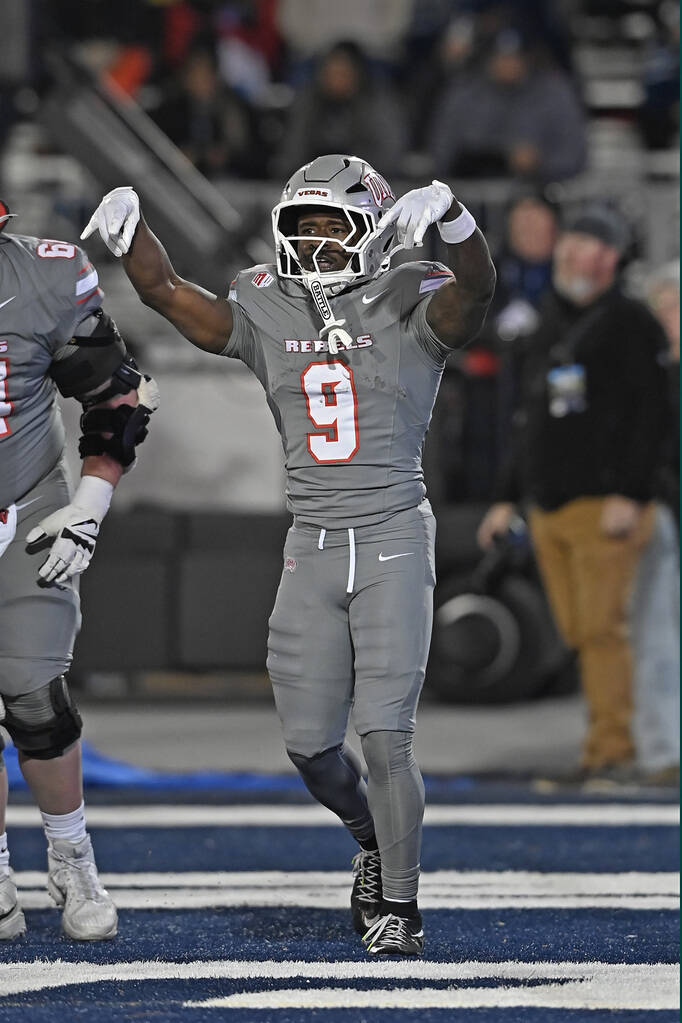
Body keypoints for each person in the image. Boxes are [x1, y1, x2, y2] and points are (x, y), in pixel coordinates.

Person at [81, 155, 496, 955]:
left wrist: (456, 219)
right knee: (309, 746)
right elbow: (173, 296)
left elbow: (475, 290)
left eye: (330, 227)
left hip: (391, 535)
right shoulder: (267, 304)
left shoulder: (412, 294)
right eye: (301, 227)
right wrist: (134, 237)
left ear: (371, 231)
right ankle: (374, 837)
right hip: (309, 539)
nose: (313, 242)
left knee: (385, 735)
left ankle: (399, 908)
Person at [0, 199, 159, 939]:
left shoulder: (43, 275)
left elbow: (116, 399)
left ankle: (71, 854)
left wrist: (91, 504)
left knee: (37, 697)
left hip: (25, 508)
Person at [477, 205, 669, 781]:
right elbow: (529, 418)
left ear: (610, 258)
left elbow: (653, 417)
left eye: (585, 244)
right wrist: (507, 496)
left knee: (603, 633)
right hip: (550, 505)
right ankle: (607, 746)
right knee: (580, 634)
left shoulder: (633, 323)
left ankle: (614, 753)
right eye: (569, 244)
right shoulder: (550, 321)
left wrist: (631, 493)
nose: (569, 253)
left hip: (603, 504)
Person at [630, 261, 680, 783]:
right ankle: (663, 750)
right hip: (662, 514)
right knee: (658, 639)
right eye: (662, 305)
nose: (669, 316)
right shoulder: (647, 371)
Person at [428, 26, 586, 183]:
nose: (508, 64)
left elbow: (574, 155)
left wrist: (540, 163)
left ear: (529, 58)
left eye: (516, 57)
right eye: (501, 56)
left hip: (543, 197)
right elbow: (442, 153)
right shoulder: (464, 93)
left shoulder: (555, 93)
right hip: (471, 198)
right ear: (488, 57)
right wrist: (495, 159)